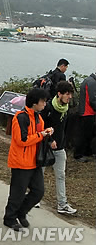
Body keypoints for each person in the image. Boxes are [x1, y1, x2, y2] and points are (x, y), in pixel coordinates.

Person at [3, 88, 53, 231]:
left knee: (39, 191)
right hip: (21, 161)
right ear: (34, 102)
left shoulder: (38, 118)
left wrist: (47, 136)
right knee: (17, 193)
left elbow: (39, 136)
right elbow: (21, 140)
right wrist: (41, 135)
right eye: (43, 101)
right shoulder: (20, 117)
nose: (44, 104)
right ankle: (9, 218)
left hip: (34, 161)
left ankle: (21, 212)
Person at [41, 81, 77, 214]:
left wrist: (64, 142)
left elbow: (64, 127)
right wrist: (49, 140)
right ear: (59, 94)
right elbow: (41, 126)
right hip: (46, 146)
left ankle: (62, 204)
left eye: (71, 94)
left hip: (60, 147)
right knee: (40, 173)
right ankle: (34, 198)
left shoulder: (66, 109)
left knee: (61, 175)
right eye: (67, 94)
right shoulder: (48, 108)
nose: (70, 97)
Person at [74, 72, 96, 162]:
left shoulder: (89, 80)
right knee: (83, 135)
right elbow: (92, 99)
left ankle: (87, 151)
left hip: (85, 111)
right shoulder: (92, 83)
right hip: (87, 112)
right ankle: (78, 155)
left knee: (89, 134)